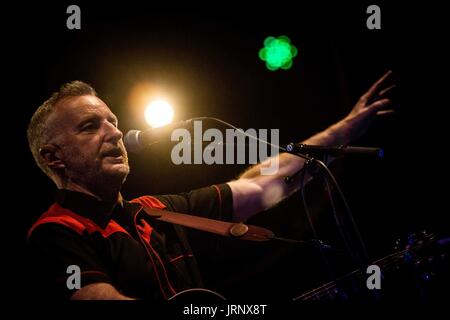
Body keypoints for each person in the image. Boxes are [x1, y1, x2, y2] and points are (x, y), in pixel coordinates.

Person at [26, 71, 393, 300]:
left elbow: (260, 186)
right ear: (54, 158)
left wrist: (343, 131)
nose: (116, 133)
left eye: (114, 121)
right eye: (91, 126)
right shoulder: (55, 233)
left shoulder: (157, 211)